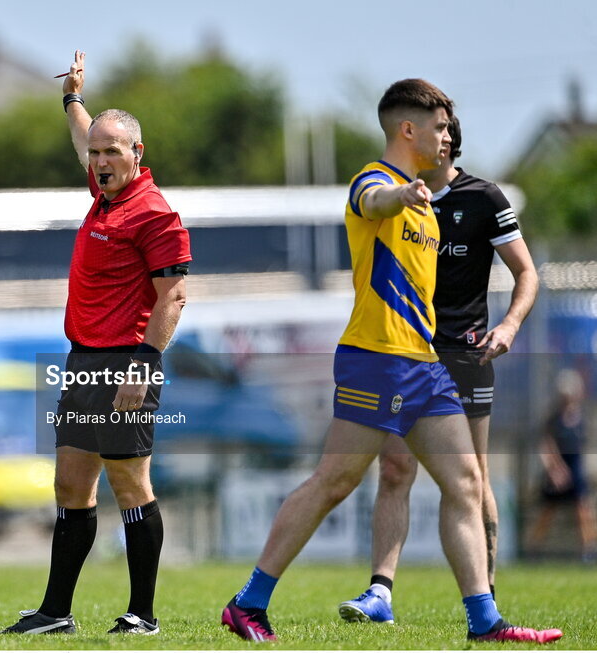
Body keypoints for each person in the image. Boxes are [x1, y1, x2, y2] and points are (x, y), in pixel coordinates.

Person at [219, 79, 561, 644]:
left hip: (423, 365)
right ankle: (248, 603)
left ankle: (484, 621)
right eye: (440, 126)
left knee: (468, 481)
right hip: (376, 361)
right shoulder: (377, 183)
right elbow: (369, 202)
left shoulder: (427, 203)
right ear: (409, 129)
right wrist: (398, 198)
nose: (449, 135)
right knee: (335, 481)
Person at [0, 50, 191, 636]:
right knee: (70, 484)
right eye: (98, 153)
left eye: (115, 151)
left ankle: (144, 615)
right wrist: (73, 97)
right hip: (83, 360)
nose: (102, 160)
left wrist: (145, 365)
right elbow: (84, 134)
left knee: (131, 484)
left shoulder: (154, 213)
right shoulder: (106, 194)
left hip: (124, 363)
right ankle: (55, 613)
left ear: (140, 155)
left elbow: (174, 298)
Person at [338, 115, 539, 623]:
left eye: (445, 130)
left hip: (465, 356)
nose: (439, 138)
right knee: (395, 469)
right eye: (434, 128)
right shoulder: (391, 188)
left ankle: (485, 601)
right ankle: (380, 592)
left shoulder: (483, 198)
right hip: (406, 353)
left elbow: (526, 272)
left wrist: (510, 327)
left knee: (473, 479)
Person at [527, 369, 597, 561]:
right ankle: (533, 551)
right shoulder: (554, 418)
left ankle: (588, 551)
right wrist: (555, 469)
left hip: (575, 469)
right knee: (547, 511)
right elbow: (546, 444)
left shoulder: (582, 417)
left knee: (582, 510)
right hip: (557, 470)